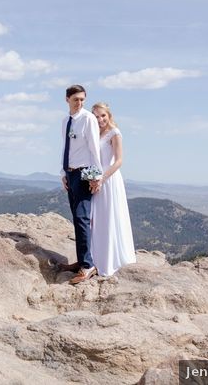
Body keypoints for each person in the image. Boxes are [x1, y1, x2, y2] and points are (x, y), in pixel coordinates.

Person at [58, 85, 103, 284]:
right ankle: (81, 260)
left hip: (85, 173)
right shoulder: (65, 121)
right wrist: (63, 172)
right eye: (76, 99)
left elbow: (94, 149)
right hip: (70, 173)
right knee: (76, 218)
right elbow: (64, 147)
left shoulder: (88, 119)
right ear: (67, 99)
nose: (80, 103)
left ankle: (88, 265)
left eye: (83, 99)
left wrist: (97, 176)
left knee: (82, 217)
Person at [89, 102, 136, 277]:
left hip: (109, 180)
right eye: (96, 116)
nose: (100, 119)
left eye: (103, 116)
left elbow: (119, 161)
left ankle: (111, 261)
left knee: (110, 217)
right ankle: (97, 258)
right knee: (98, 219)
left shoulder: (115, 133)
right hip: (96, 181)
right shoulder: (95, 133)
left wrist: (103, 177)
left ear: (109, 116)